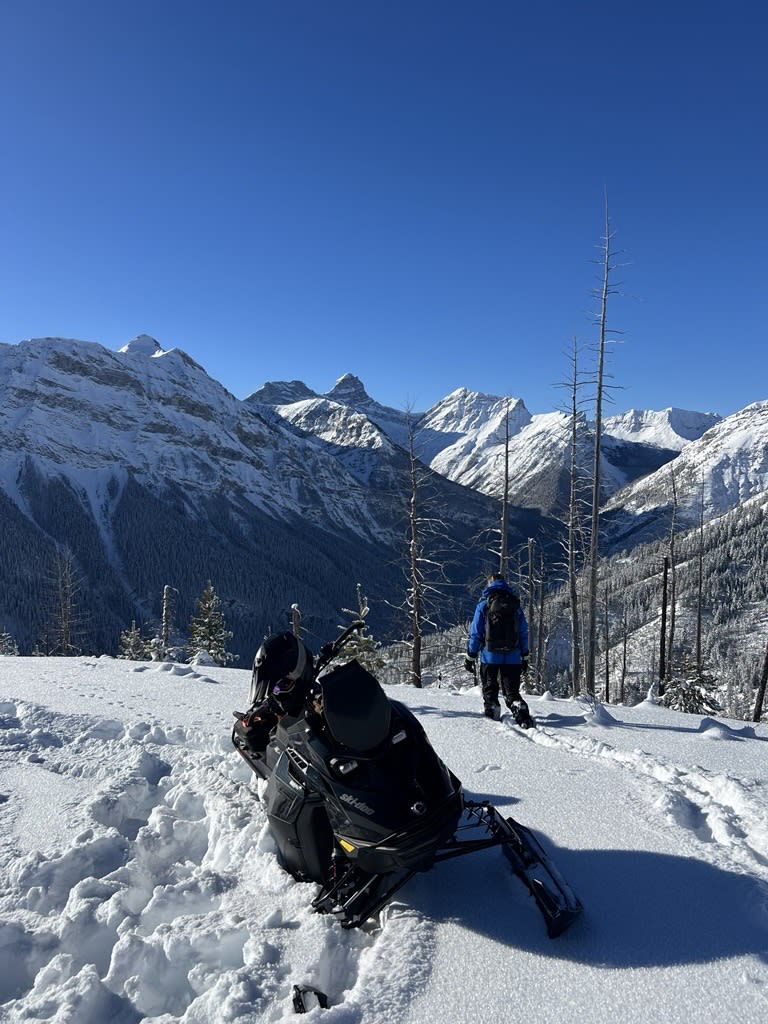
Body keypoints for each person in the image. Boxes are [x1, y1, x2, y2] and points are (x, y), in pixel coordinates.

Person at [464, 572, 533, 727]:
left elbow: (475, 633)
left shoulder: (484, 605)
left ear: (489, 584)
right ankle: (520, 710)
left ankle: (492, 710)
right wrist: (525, 655)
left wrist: (470, 656)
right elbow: (523, 632)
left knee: (490, 688)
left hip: (490, 656)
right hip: (513, 656)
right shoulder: (515, 606)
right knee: (512, 691)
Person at [233, 631, 318, 755]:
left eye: (282, 685)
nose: (276, 692)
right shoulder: (276, 702)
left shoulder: (314, 704)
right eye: (274, 689)